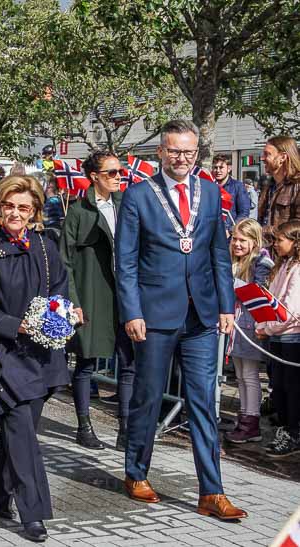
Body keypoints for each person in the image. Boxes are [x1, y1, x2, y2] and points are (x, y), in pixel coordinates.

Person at [115, 120, 247, 520]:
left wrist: (226, 305)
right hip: (154, 315)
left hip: (202, 316)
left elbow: (219, 255)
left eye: (189, 152)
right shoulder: (138, 196)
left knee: (204, 402)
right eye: (175, 151)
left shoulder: (210, 192)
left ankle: (212, 491)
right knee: (148, 397)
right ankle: (136, 471)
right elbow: (126, 262)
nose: (182, 159)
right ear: (161, 152)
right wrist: (132, 312)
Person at [0, 175, 71, 543]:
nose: (16, 213)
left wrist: (63, 314)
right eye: (9, 206)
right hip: (1, 354)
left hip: (40, 353)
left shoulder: (43, 246)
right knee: (22, 430)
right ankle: (33, 512)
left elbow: (59, 288)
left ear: (35, 210)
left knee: (20, 431)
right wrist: (14, 325)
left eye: (24, 207)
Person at [60, 150, 134, 451]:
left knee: (128, 362)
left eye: (120, 172)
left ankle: (126, 428)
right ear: (94, 177)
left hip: (124, 295)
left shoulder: (126, 205)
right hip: (92, 295)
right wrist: (74, 302)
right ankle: (84, 425)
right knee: (86, 361)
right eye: (111, 173)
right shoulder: (78, 211)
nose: (118, 177)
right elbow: (65, 261)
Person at [225, 219, 273, 444]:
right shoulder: (233, 260)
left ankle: (251, 421)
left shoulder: (261, 262)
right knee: (241, 376)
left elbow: (258, 291)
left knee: (250, 376)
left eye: (243, 240)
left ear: (254, 241)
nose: (237, 244)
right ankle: (244, 416)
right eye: (234, 238)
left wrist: (228, 282)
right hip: (236, 326)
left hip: (250, 326)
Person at [255, 220, 300, 457]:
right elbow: (272, 299)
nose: (276, 244)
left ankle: (293, 432)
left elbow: (291, 309)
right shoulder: (283, 266)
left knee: (292, 388)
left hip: (292, 337)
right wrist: (263, 324)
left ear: (294, 242)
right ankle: (286, 428)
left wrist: (268, 328)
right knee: (279, 387)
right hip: (278, 336)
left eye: (280, 240)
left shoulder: (298, 269)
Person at [259, 136, 300, 234]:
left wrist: (264, 231)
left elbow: (297, 227)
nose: (262, 158)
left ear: (282, 157)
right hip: (267, 247)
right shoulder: (268, 186)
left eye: (267, 154)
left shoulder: (297, 186)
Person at [211, 154, 250, 232]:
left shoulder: (238, 186)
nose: (218, 170)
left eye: (221, 167)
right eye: (215, 167)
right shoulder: (209, 186)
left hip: (229, 235)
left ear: (229, 169)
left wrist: (231, 230)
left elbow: (244, 213)